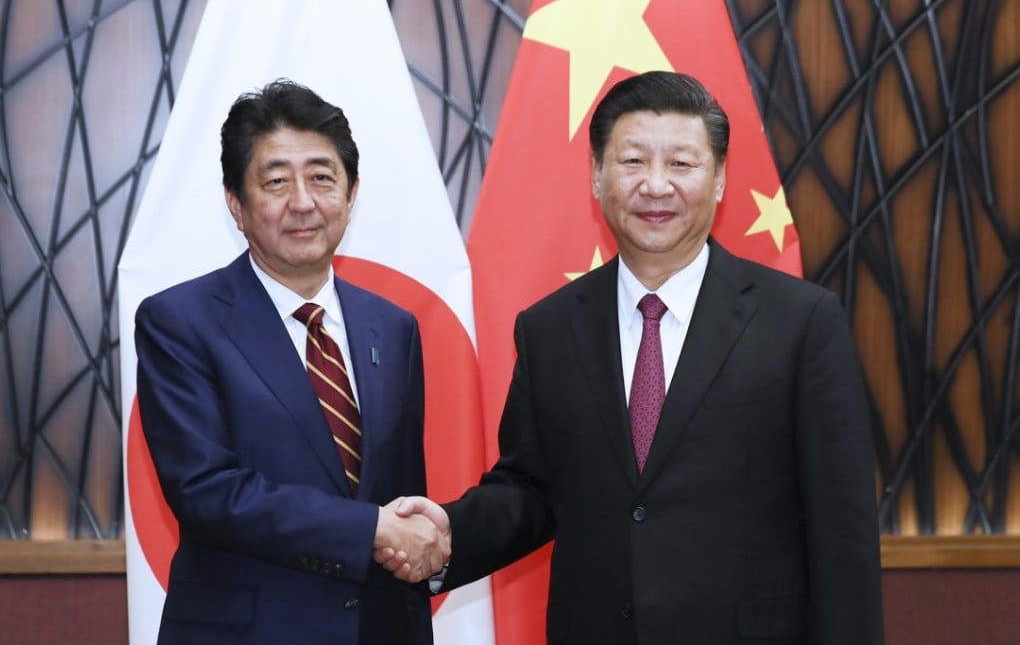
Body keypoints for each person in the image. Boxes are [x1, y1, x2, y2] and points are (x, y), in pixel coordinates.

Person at [382, 71, 884, 643]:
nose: (656, 185)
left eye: (681, 164)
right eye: (633, 161)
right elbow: (533, 488)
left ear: (719, 179)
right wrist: (452, 533)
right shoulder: (550, 327)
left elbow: (842, 534)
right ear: (597, 177)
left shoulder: (801, 322)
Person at [135, 79, 447, 645]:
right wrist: (370, 528)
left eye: (322, 178)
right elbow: (207, 492)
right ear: (237, 204)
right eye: (276, 181)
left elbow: (401, 494)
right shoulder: (179, 323)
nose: (302, 201)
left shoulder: (393, 327)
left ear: (351, 195)